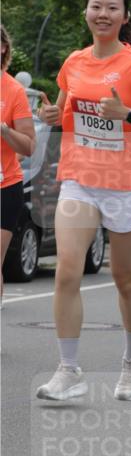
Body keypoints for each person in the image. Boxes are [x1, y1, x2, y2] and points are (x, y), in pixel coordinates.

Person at [35, 0, 131, 402]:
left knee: (126, 280)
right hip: (80, 181)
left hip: (126, 185)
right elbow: (63, 111)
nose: (103, 14)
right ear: (86, 13)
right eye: (96, 6)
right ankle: (68, 370)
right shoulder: (74, 62)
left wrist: (126, 113)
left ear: (125, 16)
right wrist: (52, 116)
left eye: (112, 7)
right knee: (66, 271)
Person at [1, 25, 36, 297]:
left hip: (4, 187)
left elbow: (29, 146)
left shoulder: (13, 91)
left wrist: (4, 130)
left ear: (3, 48)